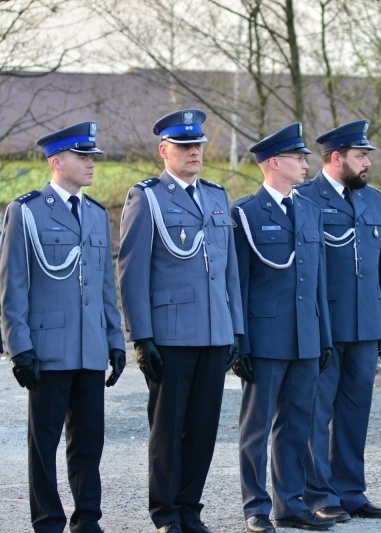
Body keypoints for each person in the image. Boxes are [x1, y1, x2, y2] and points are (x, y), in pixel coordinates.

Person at [118, 109, 245, 533]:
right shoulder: (148, 197)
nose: (194, 152)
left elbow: (229, 271)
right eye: (185, 146)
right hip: (170, 334)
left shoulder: (215, 195)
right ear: (164, 150)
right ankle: (166, 512)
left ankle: (191, 508)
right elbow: (132, 271)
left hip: (214, 330)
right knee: (168, 429)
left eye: (199, 146)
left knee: (204, 427)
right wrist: (142, 335)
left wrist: (236, 328)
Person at [0, 121, 126, 533]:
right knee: (44, 445)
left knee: (89, 441)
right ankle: (48, 521)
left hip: (90, 348)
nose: (91, 163)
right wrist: (19, 347)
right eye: (82, 156)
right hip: (47, 347)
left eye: (92, 156)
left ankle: (87, 518)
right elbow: (12, 284)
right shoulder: (27, 211)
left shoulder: (94, 213)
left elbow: (105, 285)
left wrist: (115, 339)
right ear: (57, 161)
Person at [297, 120, 381, 522]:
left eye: (367, 157)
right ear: (335, 157)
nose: (366, 164)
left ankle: (350, 490)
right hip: (326, 323)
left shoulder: (372, 199)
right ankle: (318, 494)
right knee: (317, 412)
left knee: (356, 410)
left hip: (365, 323)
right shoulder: (306, 197)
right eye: (360, 156)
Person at [232, 123, 334, 533]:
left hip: (305, 337)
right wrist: (240, 344)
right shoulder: (246, 213)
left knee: (297, 425)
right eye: (298, 157)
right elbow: (237, 284)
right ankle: (256, 507)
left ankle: (289, 503)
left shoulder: (309, 210)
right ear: (275, 163)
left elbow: (319, 283)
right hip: (265, 338)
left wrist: (323, 336)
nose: (306, 164)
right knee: (256, 429)